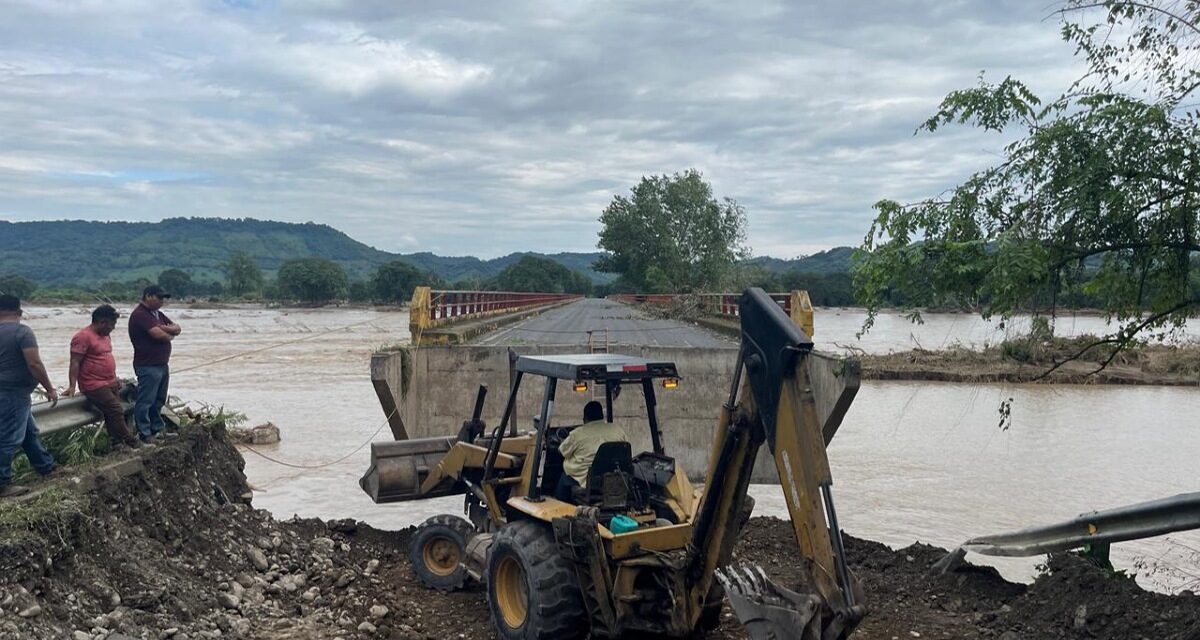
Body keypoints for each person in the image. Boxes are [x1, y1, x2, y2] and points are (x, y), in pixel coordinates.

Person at [0, 295, 57, 498]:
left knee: (28, 433)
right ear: (19, 312)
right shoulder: (22, 332)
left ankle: (46, 467)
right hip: (13, 393)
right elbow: (34, 363)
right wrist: (49, 388)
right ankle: (2, 484)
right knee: (9, 438)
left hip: (8, 392)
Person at [66, 305, 142, 450]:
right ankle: (132, 441)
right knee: (115, 410)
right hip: (93, 383)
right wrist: (72, 386)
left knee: (111, 414)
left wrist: (114, 378)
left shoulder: (105, 335)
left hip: (109, 381)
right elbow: (74, 362)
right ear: (102, 322)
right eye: (112, 324)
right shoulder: (82, 337)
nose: (113, 328)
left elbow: (106, 357)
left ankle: (117, 444)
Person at [128, 285, 181, 443]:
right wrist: (168, 332)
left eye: (163, 298)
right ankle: (145, 434)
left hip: (161, 364)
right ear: (148, 296)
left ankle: (157, 429)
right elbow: (160, 336)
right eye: (159, 297)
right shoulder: (140, 315)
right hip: (147, 365)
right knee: (146, 401)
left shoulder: (157, 315)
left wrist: (164, 328)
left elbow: (177, 328)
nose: (162, 301)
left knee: (158, 400)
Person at [555, 400, 628, 501]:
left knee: (564, 478)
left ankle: (561, 506)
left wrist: (562, 441)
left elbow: (561, 452)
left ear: (585, 418)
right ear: (602, 416)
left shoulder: (577, 434)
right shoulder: (618, 430)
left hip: (586, 482)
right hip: (615, 479)